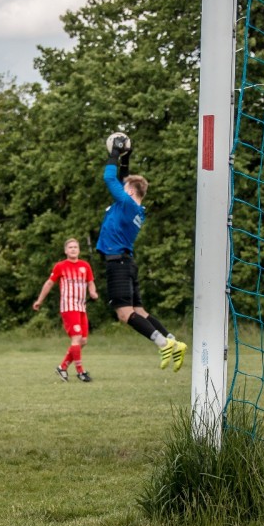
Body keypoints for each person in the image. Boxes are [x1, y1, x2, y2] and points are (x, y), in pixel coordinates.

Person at [96, 132, 188, 372]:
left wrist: (114, 154)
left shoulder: (126, 204)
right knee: (140, 311)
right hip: (128, 263)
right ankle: (174, 342)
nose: (121, 185)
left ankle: (162, 343)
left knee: (125, 315)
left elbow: (108, 177)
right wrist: (127, 158)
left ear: (130, 191)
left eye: (124, 186)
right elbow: (125, 178)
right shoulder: (138, 208)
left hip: (118, 263)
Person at [33, 238, 99, 382]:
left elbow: (90, 282)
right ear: (65, 251)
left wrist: (93, 292)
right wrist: (39, 300)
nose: (73, 249)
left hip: (81, 307)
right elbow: (49, 283)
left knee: (83, 341)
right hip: (69, 307)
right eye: (70, 247)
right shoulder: (60, 266)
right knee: (76, 338)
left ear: (79, 250)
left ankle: (62, 367)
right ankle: (81, 372)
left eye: (75, 247)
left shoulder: (85, 265)